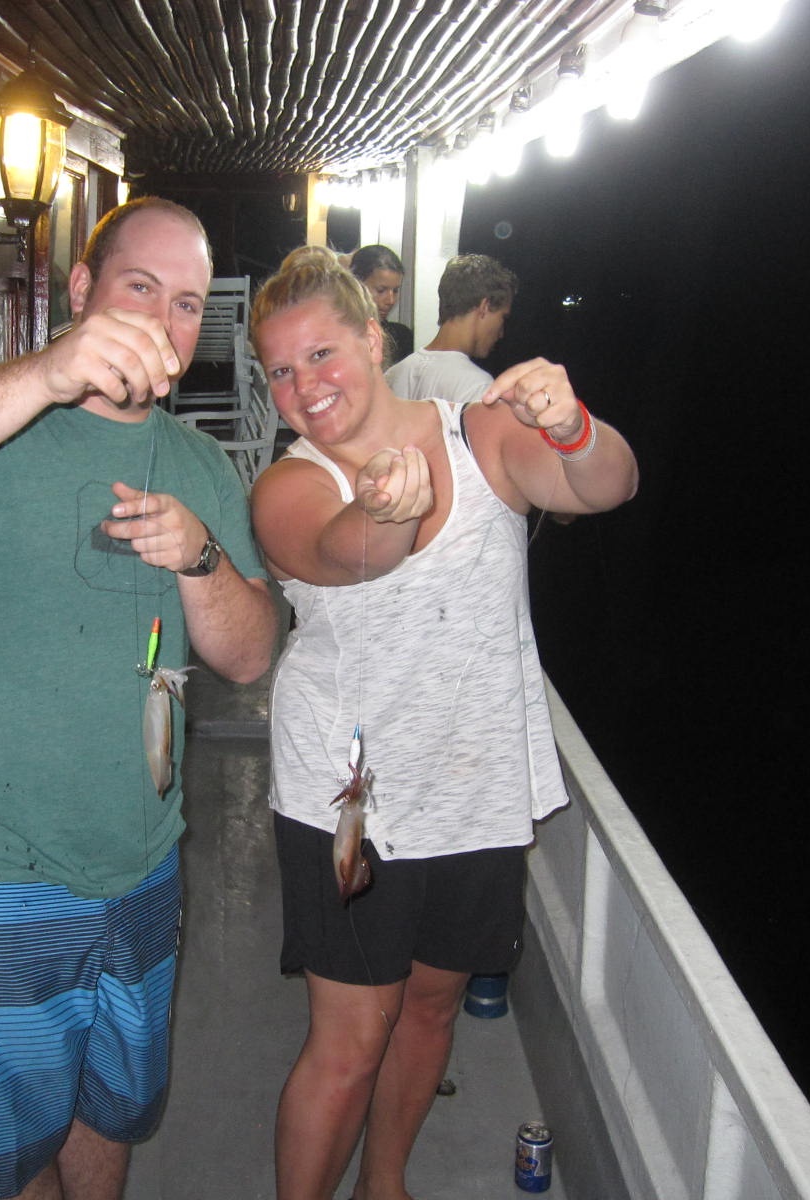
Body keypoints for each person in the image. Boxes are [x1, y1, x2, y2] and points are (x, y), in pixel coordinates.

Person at [0, 197, 276, 1200]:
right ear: (79, 291)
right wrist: (42, 375)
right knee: (12, 1143)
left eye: (187, 303)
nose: (162, 322)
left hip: (142, 850)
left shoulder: (202, 464)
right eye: (138, 288)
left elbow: (249, 656)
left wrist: (200, 559)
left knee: (111, 1105)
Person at [247, 247, 637, 1200]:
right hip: (351, 805)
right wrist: (386, 510)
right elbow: (343, 553)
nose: (306, 386)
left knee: (430, 1008)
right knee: (351, 1038)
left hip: (475, 788)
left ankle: (386, 1183)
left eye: (323, 355)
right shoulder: (289, 485)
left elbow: (606, 486)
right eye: (281, 371)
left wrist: (572, 421)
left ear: (376, 341)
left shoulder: (480, 434)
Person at [385, 252, 518, 404]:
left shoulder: (393, 375)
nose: (501, 333)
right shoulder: (477, 387)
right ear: (485, 307)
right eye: (503, 317)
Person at [347, 245, 415, 367]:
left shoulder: (401, 338)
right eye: (381, 290)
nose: (391, 300)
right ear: (356, 285)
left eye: (395, 291)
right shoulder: (339, 334)